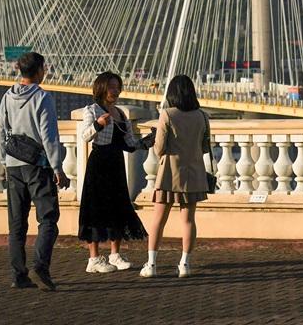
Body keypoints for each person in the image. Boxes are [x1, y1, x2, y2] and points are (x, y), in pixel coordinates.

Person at [0, 51, 69, 291]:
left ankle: (19, 275)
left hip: (13, 165)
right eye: (44, 68)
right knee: (48, 218)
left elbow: (1, 131)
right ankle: (41, 266)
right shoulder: (42, 97)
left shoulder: (7, 96)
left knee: (17, 223)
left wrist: (4, 161)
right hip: (37, 165)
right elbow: (49, 136)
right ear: (38, 70)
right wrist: (57, 167)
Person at [77, 71, 150, 272]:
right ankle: (93, 259)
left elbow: (129, 143)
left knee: (118, 205)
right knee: (95, 207)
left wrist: (146, 143)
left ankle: (115, 254)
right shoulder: (92, 110)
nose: (115, 91)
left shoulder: (120, 113)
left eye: (117, 87)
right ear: (101, 88)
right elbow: (85, 136)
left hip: (116, 163)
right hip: (99, 163)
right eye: (111, 87)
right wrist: (98, 125)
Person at [141, 74, 211, 278]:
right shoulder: (202, 116)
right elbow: (205, 147)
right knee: (188, 221)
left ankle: (151, 264)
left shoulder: (167, 114)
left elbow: (159, 149)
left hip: (169, 174)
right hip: (193, 174)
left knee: (158, 220)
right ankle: (185, 264)